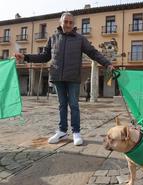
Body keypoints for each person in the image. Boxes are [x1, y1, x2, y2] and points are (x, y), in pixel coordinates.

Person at [15, 12, 114, 146]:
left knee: (74, 105)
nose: (68, 24)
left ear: (73, 24)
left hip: (73, 77)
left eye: (70, 22)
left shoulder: (80, 39)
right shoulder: (53, 37)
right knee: (61, 105)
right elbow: (44, 56)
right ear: (60, 23)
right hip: (57, 77)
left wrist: (107, 63)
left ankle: (76, 132)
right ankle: (62, 131)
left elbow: (92, 52)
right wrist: (25, 57)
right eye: (65, 22)